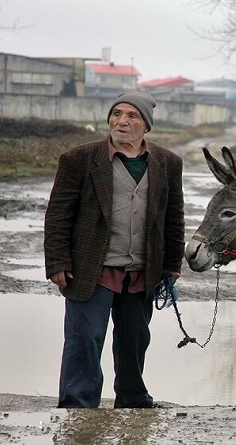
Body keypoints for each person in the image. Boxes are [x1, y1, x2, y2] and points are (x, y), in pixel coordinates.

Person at [44, 91, 185, 408]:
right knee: (86, 339)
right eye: (117, 114)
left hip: (140, 270)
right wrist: (57, 263)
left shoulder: (168, 163)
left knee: (134, 338)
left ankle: (133, 400)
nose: (122, 121)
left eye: (132, 116)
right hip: (90, 269)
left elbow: (174, 218)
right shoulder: (79, 159)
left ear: (146, 126)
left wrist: (172, 265)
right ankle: (78, 403)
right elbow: (57, 216)